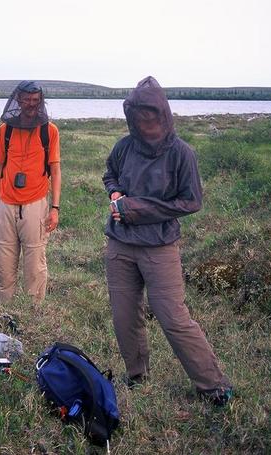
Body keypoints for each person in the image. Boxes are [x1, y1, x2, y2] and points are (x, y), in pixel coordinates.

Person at [103, 76, 233, 405]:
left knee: (173, 317)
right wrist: (116, 192)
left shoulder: (181, 153)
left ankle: (213, 386)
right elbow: (110, 173)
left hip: (159, 248)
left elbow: (191, 202)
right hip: (120, 244)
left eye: (151, 116)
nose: (145, 123)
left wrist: (139, 209)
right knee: (124, 316)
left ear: (163, 114)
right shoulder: (124, 146)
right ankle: (136, 375)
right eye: (139, 117)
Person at [0, 81, 61, 305]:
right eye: (27, 99)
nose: (31, 104)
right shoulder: (5, 130)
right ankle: (5, 312)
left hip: (35, 206)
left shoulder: (50, 131)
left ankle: (33, 314)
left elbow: (55, 171)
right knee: (4, 265)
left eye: (35, 100)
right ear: (18, 100)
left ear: (41, 101)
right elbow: (0, 169)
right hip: (5, 206)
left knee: (35, 265)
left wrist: (54, 209)